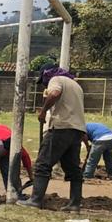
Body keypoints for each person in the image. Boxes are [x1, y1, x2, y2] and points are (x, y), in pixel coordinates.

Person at [18, 65, 86, 212]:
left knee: (43, 163)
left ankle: (35, 200)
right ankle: (74, 204)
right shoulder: (75, 84)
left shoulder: (56, 79)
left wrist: (43, 111)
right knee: (73, 168)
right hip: (77, 130)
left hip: (61, 127)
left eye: (43, 80)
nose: (44, 83)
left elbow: (54, 93)